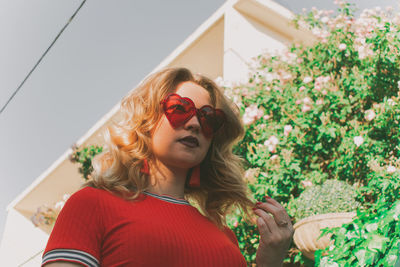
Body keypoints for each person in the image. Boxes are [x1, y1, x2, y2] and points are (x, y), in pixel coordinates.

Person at [42, 67, 293, 267]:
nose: (195, 123)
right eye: (180, 109)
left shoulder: (225, 236)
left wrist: (268, 263)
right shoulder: (93, 204)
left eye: (208, 118)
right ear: (147, 120)